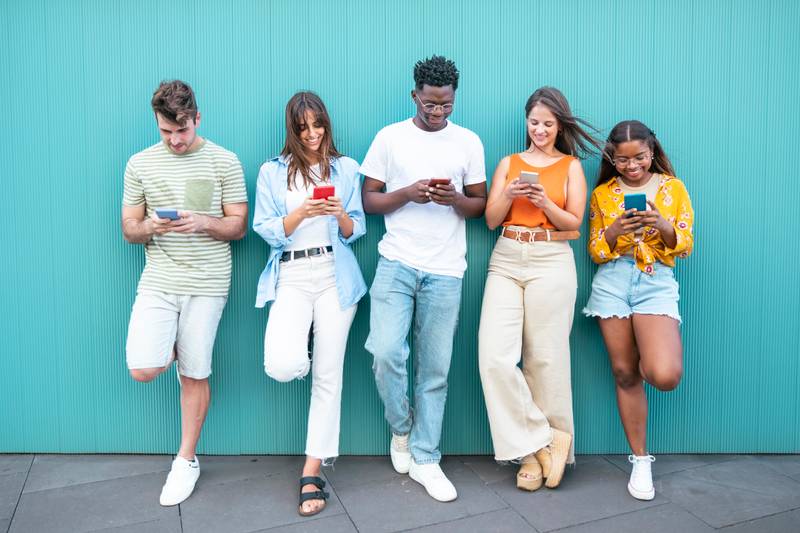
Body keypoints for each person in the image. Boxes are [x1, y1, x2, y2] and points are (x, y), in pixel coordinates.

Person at [360, 55, 487, 502]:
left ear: (454, 98)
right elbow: (369, 201)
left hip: (446, 269)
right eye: (429, 104)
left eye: (446, 105)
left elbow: (480, 206)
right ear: (414, 95)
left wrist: (454, 199)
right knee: (385, 352)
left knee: (435, 370)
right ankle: (402, 428)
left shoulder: (468, 142)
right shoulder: (390, 138)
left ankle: (426, 457)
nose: (437, 112)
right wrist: (407, 194)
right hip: (396, 262)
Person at [121, 80, 248, 506]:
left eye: (182, 130)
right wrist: (151, 227)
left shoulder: (224, 161)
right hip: (159, 279)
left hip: (208, 283)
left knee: (195, 373)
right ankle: (174, 343)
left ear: (197, 118)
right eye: (166, 131)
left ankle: (186, 460)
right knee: (143, 368)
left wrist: (204, 222)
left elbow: (238, 226)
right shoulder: (139, 163)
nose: (175, 140)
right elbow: (129, 229)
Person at [479, 87, 600, 492]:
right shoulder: (508, 163)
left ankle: (538, 451)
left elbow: (574, 224)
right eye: (534, 122)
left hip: (551, 257)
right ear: (526, 122)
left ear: (560, 126)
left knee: (546, 359)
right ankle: (540, 441)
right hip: (507, 256)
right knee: (494, 358)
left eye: (548, 124)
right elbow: (491, 220)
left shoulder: (570, 167)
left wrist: (545, 202)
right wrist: (509, 194)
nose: (540, 130)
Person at [253, 91, 366, 517]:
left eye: (318, 125)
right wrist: (302, 211)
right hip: (292, 274)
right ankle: (306, 353)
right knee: (283, 365)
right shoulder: (272, 171)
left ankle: (312, 470)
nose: (312, 134)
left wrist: (338, 213)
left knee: (328, 378)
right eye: (303, 127)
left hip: (335, 274)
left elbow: (356, 229)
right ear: (292, 129)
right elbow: (265, 228)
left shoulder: (346, 168)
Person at [583, 120, 694, 500]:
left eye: (640, 157)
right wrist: (616, 229)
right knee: (624, 373)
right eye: (623, 160)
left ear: (652, 151)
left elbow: (685, 244)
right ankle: (641, 459)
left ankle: (651, 356)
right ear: (612, 159)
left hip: (655, 280)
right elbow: (597, 250)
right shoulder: (603, 194)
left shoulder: (672, 188)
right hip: (613, 281)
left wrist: (660, 223)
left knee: (664, 375)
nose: (632, 166)